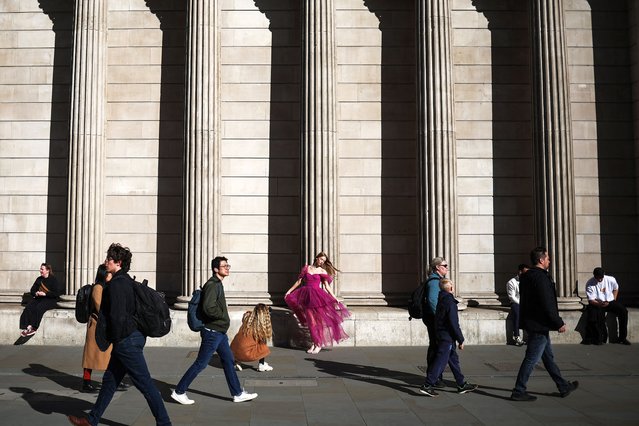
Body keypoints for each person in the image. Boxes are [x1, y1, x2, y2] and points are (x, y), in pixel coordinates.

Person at [68, 243, 171, 426]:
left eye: (109, 258)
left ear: (118, 262)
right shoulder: (126, 281)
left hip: (126, 341)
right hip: (130, 338)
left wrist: (116, 338)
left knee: (145, 384)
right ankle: (92, 420)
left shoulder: (117, 284)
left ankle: (164, 423)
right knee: (110, 380)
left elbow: (117, 316)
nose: (106, 261)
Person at [171, 256, 258, 405]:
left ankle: (237, 393)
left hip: (219, 333)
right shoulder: (212, 285)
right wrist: (222, 317)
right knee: (201, 363)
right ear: (216, 269)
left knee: (229, 361)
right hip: (212, 332)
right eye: (224, 266)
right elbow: (208, 307)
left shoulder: (217, 284)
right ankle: (179, 391)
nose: (227, 268)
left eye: (228, 265)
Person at [510, 247, 579, 402]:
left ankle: (563, 385)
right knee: (531, 359)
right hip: (539, 324)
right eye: (547, 258)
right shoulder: (541, 278)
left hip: (532, 322)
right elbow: (547, 302)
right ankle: (519, 390)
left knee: (548, 358)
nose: (549, 260)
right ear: (541, 260)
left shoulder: (527, 276)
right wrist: (558, 322)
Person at [419, 279, 478, 397]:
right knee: (440, 361)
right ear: (451, 289)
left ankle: (461, 384)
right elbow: (454, 323)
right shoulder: (450, 303)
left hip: (442, 334)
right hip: (447, 336)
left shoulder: (441, 300)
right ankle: (428, 385)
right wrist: (460, 339)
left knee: (453, 360)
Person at [284, 252, 350, 354]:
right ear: (317, 258)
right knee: (311, 323)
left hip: (317, 297)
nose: (322, 262)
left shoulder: (322, 271)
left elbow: (327, 286)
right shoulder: (307, 268)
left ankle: (318, 344)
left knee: (318, 322)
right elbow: (299, 282)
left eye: (324, 260)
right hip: (306, 296)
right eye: (321, 259)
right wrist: (289, 291)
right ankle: (314, 343)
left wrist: (334, 297)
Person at [80, 265, 113, 393]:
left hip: (101, 325)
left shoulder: (105, 287)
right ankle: (86, 382)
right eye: (109, 273)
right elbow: (100, 306)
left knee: (109, 356)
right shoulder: (98, 288)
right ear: (104, 274)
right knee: (90, 356)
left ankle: (112, 380)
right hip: (96, 325)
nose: (111, 275)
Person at [583, 267, 630, 345]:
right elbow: (591, 300)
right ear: (594, 276)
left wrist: (613, 300)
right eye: (598, 278)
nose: (600, 280)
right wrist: (600, 304)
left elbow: (616, 288)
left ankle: (622, 337)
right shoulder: (590, 283)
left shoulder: (611, 279)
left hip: (610, 301)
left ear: (604, 275)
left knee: (623, 311)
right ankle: (599, 338)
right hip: (597, 303)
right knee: (596, 315)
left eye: (601, 278)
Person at [422, 257, 449, 388]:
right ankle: (434, 376)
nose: (447, 268)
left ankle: (435, 375)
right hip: (434, 319)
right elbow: (433, 301)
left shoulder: (437, 280)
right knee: (436, 347)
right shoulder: (434, 282)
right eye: (445, 265)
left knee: (436, 346)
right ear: (438, 267)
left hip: (433, 319)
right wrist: (440, 318)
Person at [20, 263, 63, 337]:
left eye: (42, 269)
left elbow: (56, 293)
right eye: (40, 269)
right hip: (39, 298)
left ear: (48, 270)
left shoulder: (53, 280)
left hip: (50, 300)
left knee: (39, 307)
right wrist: (36, 293)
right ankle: (27, 327)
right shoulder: (39, 279)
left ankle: (34, 328)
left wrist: (45, 294)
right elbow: (32, 290)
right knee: (29, 306)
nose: (40, 271)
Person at [231, 303, 274, 372]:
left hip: (233, 352)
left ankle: (236, 362)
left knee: (241, 341)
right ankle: (262, 365)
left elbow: (247, 313)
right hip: (247, 355)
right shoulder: (259, 328)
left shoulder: (247, 319)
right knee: (262, 344)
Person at [507, 264, 529, 346]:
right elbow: (512, 297)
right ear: (520, 272)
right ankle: (516, 336)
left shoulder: (528, 281)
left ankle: (530, 335)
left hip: (525, 302)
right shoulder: (511, 282)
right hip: (516, 303)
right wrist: (522, 304)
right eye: (525, 272)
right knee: (517, 312)